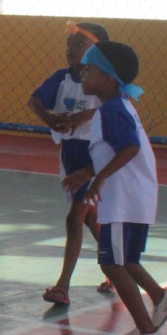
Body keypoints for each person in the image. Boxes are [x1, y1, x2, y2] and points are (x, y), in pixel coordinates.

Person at [63, 41, 167, 335]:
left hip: (124, 201)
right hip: (134, 198)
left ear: (108, 78)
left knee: (111, 264)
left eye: (89, 71)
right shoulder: (119, 106)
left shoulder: (112, 110)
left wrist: (100, 178)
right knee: (126, 260)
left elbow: (130, 148)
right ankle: (160, 297)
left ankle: (147, 331)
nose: (83, 75)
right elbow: (113, 150)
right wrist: (88, 172)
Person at [29, 21, 110, 305]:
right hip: (70, 154)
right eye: (68, 43)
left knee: (75, 218)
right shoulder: (62, 78)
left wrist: (83, 116)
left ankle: (63, 286)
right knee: (90, 218)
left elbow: (115, 106)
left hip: (94, 155)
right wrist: (49, 118)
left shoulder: (103, 80)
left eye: (79, 44)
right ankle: (115, 267)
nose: (70, 49)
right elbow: (34, 100)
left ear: (97, 50)